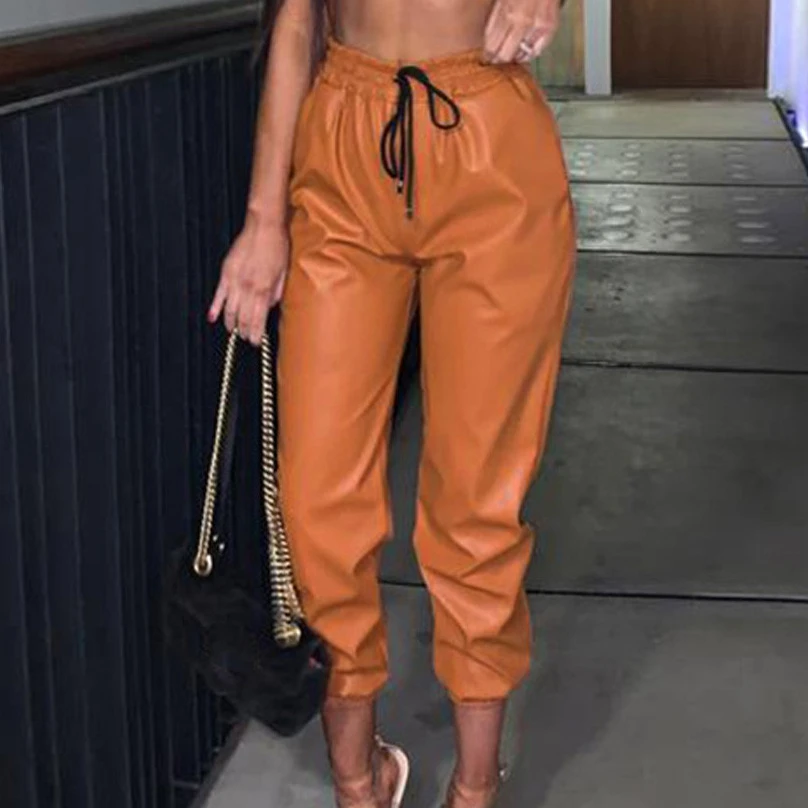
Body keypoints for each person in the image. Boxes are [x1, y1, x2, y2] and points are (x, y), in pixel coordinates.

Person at [208, 0, 575, 805]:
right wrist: (265, 219)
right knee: (317, 501)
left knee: (478, 495)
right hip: (342, 142)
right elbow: (296, 21)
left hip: (491, 138)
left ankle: (475, 789)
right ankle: (358, 781)